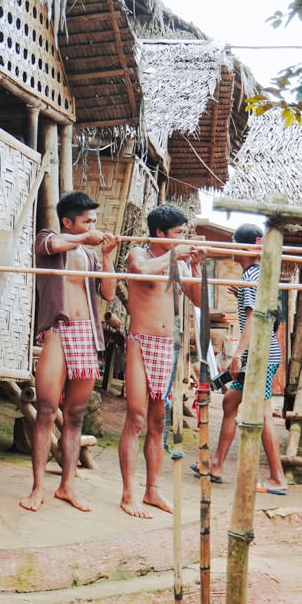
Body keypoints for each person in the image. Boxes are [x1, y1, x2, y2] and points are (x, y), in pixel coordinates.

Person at [20, 191, 119, 512]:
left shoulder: (90, 257)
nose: (94, 226)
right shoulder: (48, 239)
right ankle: (37, 487)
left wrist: (105, 256)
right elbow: (55, 245)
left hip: (87, 335)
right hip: (57, 332)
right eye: (87, 221)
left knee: (75, 415)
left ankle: (67, 486)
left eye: (94, 221)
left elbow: (107, 293)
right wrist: (85, 239)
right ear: (67, 222)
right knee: (46, 408)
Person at [120, 204, 206, 518]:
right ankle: (129, 493)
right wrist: (176, 255)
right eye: (179, 233)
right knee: (137, 419)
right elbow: (142, 273)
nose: (184, 238)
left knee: (158, 423)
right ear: (159, 233)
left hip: (167, 347)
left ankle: (152, 490)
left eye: (185, 233)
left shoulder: (180, 264)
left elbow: (197, 300)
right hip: (140, 343)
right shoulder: (139, 255)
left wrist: (195, 268)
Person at [203, 223, 288, 494]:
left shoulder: (252, 275)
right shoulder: (257, 274)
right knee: (229, 402)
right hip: (259, 353)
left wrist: (238, 354)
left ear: (240, 246)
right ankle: (215, 465)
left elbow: (254, 317)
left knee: (263, 412)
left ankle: (277, 479)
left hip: (259, 356)